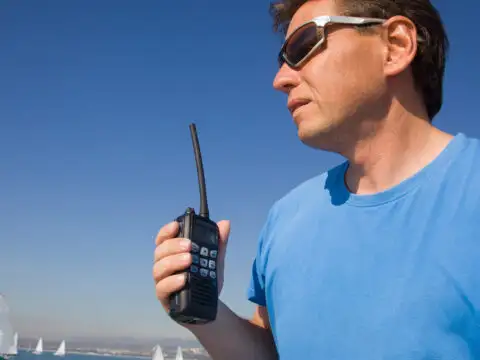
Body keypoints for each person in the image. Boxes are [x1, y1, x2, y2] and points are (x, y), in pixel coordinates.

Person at [153, 0, 480, 358]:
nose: (281, 79)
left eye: (303, 46)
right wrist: (206, 315)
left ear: (395, 46)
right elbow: (272, 350)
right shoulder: (286, 217)